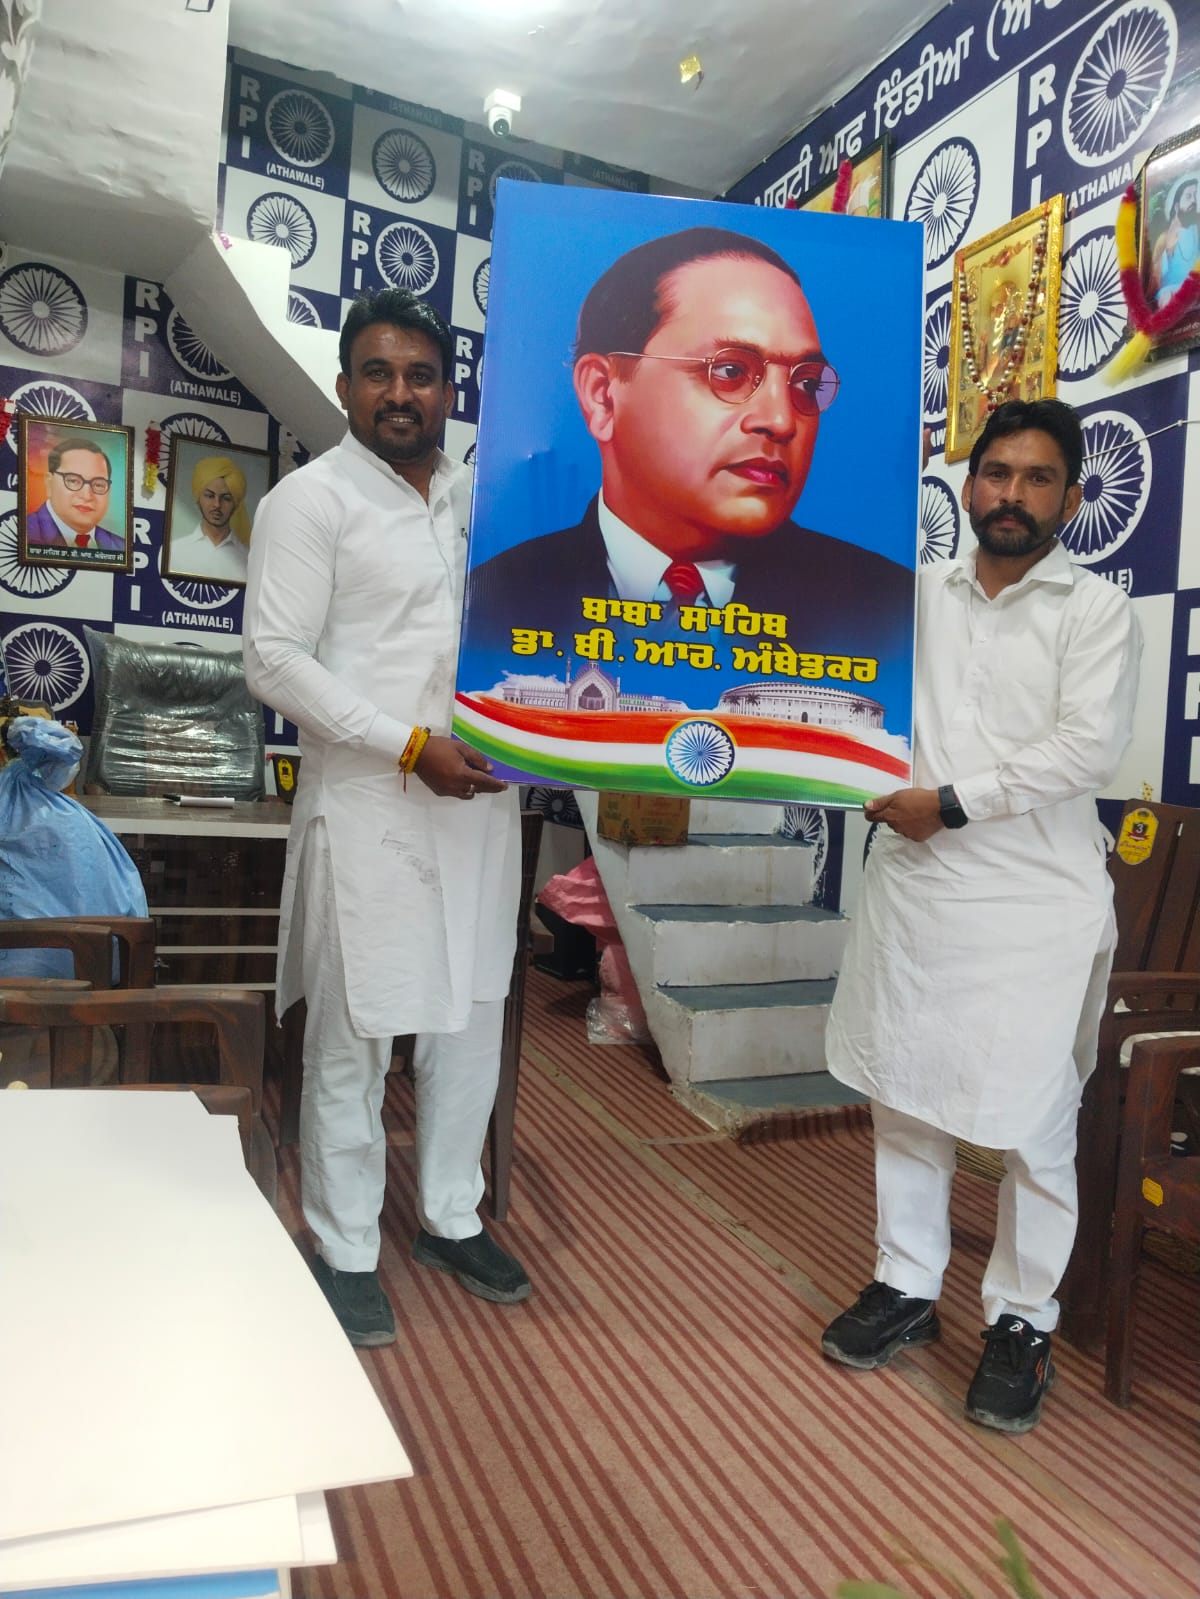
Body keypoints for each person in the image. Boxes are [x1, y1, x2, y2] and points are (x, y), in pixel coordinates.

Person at [819, 398, 1141, 1433]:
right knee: (906, 1097)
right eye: (997, 472)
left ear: (1072, 499)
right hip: (920, 892)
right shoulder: (913, 599)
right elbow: (851, 700)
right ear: (968, 485)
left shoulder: (1097, 612)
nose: (1012, 494)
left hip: (1036, 904)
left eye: (1038, 478)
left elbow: (1086, 750)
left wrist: (950, 804)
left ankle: (1021, 1320)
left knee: (1036, 1123)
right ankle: (908, 1284)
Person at [242, 287, 528, 1348]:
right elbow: (273, 660)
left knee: (470, 1017)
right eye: (378, 373)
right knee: (357, 1034)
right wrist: (408, 745)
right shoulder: (310, 502)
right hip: (372, 804)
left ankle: (452, 1216)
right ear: (344, 385)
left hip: (480, 807)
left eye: (420, 374)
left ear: (449, 389)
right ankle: (346, 1243)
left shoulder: (482, 499)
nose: (399, 393)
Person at [465, 226, 912, 680]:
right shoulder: (494, 600)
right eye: (731, 371)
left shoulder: (886, 611)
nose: (781, 420)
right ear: (603, 396)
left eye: (807, 384)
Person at [26, 435, 124, 559]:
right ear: (49, 483)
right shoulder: (21, 533)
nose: (87, 496)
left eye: (98, 484)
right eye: (73, 481)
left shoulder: (121, 547)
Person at [167, 455, 252, 583]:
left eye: (226, 498)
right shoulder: (175, 551)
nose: (217, 504)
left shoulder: (248, 558)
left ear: (236, 505)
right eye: (209, 496)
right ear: (198, 499)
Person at [1151, 176, 1199, 307]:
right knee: (1166, 299)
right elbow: (1155, 279)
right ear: (1176, 206)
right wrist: (1168, 250)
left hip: (1196, 286)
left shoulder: (1197, 230)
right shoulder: (1164, 238)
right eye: (1188, 196)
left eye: (1195, 195)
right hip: (1172, 290)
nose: (1194, 201)